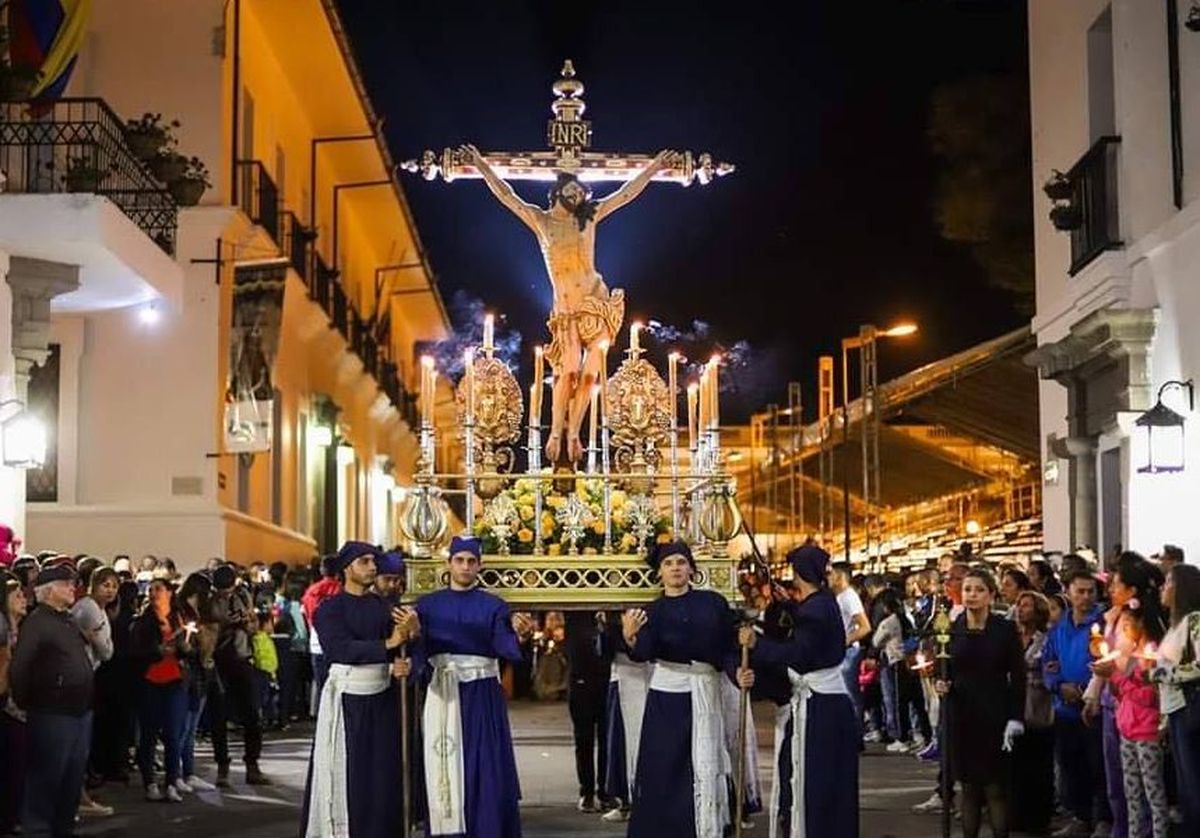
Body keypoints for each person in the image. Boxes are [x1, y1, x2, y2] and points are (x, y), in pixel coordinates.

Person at [462, 142, 674, 464]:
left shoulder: (588, 219)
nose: (578, 197)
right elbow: (506, 195)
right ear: (557, 192)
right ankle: (556, 432)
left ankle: (574, 431)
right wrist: (479, 164)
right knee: (568, 371)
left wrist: (654, 167)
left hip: (595, 303)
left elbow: (626, 193)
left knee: (591, 375)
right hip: (566, 312)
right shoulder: (541, 222)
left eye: (580, 193)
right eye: (572, 191)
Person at [622, 539, 748, 838]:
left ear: (692, 568)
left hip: (704, 691)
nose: (675, 568)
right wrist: (630, 636)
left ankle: (705, 826)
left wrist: (737, 672)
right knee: (665, 765)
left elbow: (728, 648)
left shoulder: (713, 603)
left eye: (681, 562)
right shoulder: (652, 610)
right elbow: (644, 653)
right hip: (666, 699)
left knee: (703, 762)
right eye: (668, 564)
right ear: (659, 573)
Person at [408, 535, 531, 837]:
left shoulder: (494, 605)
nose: (465, 566)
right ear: (448, 563)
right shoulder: (427, 605)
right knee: (443, 761)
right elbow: (419, 650)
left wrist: (521, 637)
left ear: (479, 566)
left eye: (471, 561)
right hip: (443, 692)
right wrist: (411, 651)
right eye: (459, 560)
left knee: (485, 764)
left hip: (482, 694)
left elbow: (505, 646)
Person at [739, 545, 857, 838]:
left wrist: (757, 645)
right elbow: (809, 627)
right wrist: (790, 605)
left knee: (814, 777)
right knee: (826, 777)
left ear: (800, 573)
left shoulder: (816, 608)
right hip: (829, 702)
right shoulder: (822, 602)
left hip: (820, 707)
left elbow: (800, 652)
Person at [300, 540, 414, 838]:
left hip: (383, 700)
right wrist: (388, 645)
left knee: (382, 773)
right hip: (349, 703)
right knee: (351, 773)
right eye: (365, 561)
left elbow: (404, 643)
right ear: (347, 568)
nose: (372, 567)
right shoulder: (329, 610)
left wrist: (410, 637)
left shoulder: (384, 607)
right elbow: (339, 648)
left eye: (374, 562)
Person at [934, 568, 1024, 838]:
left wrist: (1015, 716)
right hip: (961, 713)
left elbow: (1018, 674)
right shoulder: (951, 629)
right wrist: (941, 684)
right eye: (967, 590)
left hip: (994, 711)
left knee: (995, 787)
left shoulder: (1004, 629)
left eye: (979, 590)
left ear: (991, 595)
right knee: (969, 788)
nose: (972, 595)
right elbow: (943, 668)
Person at [9, 563, 94, 837]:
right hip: (52, 713)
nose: (72, 588)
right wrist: (26, 700)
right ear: (49, 591)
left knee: (70, 781)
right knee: (47, 780)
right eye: (66, 584)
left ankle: (62, 829)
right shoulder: (38, 623)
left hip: (78, 712)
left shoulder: (66, 619)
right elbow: (20, 667)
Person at [1043, 570, 1110, 838]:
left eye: (1090, 591)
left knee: (1099, 765)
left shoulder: (1103, 624)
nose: (1085, 597)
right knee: (1071, 766)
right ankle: (1080, 817)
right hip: (1064, 707)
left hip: (1094, 707)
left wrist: (1084, 690)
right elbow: (1048, 661)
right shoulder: (1060, 626)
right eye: (1079, 591)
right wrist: (1058, 684)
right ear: (1068, 592)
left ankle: (1103, 819)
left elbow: (1107, 663)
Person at [1102, 596, 1169, 838]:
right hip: (1127, 728)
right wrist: (1112, 676)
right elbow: (1121, 691)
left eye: (1128, 626)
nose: (1124, 631)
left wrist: (1120, 680)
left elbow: (1150, 696)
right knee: (1131, 791)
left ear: (1142, 626)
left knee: (1153, 791)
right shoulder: (1126, 658)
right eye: (1122, 627)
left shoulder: (1150, 657)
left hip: (1147, 731)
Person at [131, 578, 194, 802]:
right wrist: (156, 651)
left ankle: (171, 781)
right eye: (151, 589)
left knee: (173, 733)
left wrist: (184, 649)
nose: (154, 593)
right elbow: (136, 652)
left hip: (174, 679)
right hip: (151, 679)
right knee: (149, 733)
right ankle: (150, 781)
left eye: (159, 588)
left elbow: (188, 647)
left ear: (169, 592)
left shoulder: (177, 617)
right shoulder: (143, 621)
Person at [209, 562, 269, 786]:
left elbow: (253, 625)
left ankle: (252, 765)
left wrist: (246, 622)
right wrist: (226, 624)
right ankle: (222, 767)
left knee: (251, 714)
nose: (225, 592)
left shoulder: (243, 596)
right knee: (219, 716)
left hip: (242, 658)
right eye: (221, 589)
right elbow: (208, 628)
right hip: (218, 660)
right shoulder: (210, 600)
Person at [1151, 562, 1200, 832]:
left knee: (1193, 783)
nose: (1163, 587)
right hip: (1175, 710)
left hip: (1190, 707)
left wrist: (1164, 674)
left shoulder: (1195, 621)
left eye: (1168, 582)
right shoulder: (1175, 625)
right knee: (1185, 783)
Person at [71, 567, 119, 818]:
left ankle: (80, 796)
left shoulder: (99, 609)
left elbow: (106, 648)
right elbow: (106, 650)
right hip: (81, 677)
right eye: (105, 584)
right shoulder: (88, 608)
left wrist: (101, 643)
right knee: (78, 745)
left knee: (83, 745)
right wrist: (101, 643)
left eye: (114, 586)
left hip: (89, 675)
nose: (109, 590)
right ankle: (77, 798)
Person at [1010, 590, 1055, 834]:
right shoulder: (1012, 636)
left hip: (1039, 705)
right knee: (1017, 764)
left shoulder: (1046, 638)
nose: (1021, 609)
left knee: (1039, 765)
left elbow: (1048, 665)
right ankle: (1016, 813)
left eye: (1026, 605)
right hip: (1015, 705)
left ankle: (1039, 819)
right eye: (1019, 605)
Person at [563, 609, 613, 813]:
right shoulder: (576, 614)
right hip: (581, 683)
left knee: (606, 742)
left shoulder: (613, 614)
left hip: (607, 683)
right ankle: (587, 792)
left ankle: (606, 791)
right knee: (583, 742)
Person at [601, 613, 649, 822]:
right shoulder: (612, 610)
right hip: (623, 676)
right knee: (619, 742)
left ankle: (650, 798)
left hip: (655, 672)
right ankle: (624, 800)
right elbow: (603, 650)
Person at [0, 570, 29, 835]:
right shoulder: (5, 632)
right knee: (11, 766)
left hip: (22, 707)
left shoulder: (21, 629)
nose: (22, 599)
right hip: (9, 707)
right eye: (16, 595)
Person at [828, 562, 870, 743]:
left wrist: (843, 642)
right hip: (842, 654)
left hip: (848, 654)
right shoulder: (840, 597)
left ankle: (854, 737)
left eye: (830, 574)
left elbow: (865, 626)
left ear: (839, 577)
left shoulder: (849, 597)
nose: (827, 578)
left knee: (851, 697)